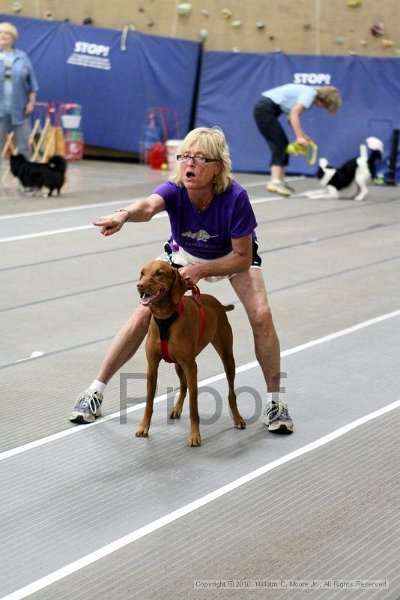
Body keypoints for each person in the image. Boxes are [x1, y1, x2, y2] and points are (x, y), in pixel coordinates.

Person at [70, 126, 293, 434]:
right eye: (186, 156)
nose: (190, 164)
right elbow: (148, 207)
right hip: (185, 252)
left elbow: (242, 257)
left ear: (218, 168)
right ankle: (94, 391)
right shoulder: (175, 189)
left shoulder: (236, 197)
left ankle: (275, 401)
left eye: (201, 158)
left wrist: (201, 271)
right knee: (142, 312)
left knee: (261, 314)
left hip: (230, 256)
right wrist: (123, 215)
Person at [254, 83, 341, 197]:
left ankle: (280, 182)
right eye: (326, 106)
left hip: (265, 110)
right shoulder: (310, 94)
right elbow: (294, 114)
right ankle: (275, 182)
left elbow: (291, 118)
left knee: (283, 145)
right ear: (324, 100)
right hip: (264, 110)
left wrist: (302, 135)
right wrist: (299, 137)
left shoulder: (309, 93)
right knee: (280, 145)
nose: (323, 108)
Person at [0, 22, 38, 173]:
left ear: (13, 38)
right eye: (0, 33)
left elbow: (32, 83)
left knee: (23, 147)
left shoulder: (22, 57)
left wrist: (31, 102)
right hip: (0, 111)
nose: (2, 36)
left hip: (20, 110)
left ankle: (26, 182)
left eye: (6, 33)